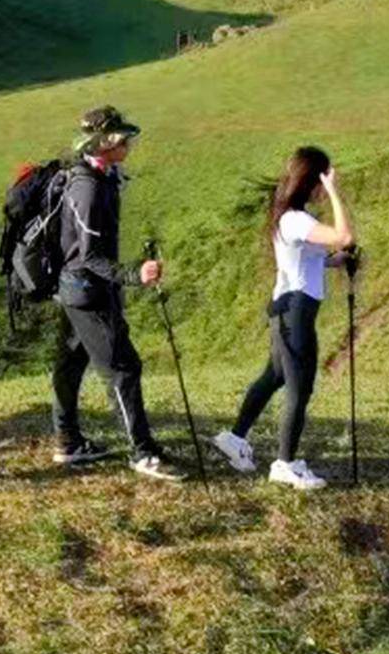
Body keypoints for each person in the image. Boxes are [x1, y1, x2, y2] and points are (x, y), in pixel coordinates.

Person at [214, 145, 357, 491]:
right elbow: (343, 236)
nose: (326, 186)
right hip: (295, 313)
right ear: (315, 179)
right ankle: (285, 464)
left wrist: (335, 262)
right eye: (325, 177)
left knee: (275, 376)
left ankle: (234, 438)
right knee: (299, 387)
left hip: (289, 309)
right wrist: (336, 192)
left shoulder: (292, 217)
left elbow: (307, 259)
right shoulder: (296, 218)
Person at [53, 104, 182, 481]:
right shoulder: (88, 188)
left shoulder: (101, 176)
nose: (129, 142)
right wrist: (132, 275)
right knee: (124, 368)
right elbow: (90, 256)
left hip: (74, 287)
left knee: (72, 362)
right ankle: (142, 453)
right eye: (122, 137)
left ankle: (67, 441)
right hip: (87, 290)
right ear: (105, 142)